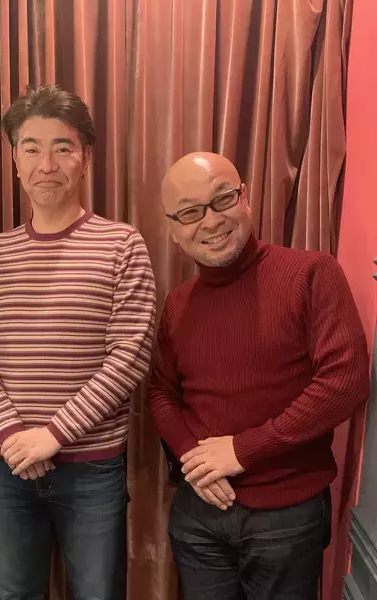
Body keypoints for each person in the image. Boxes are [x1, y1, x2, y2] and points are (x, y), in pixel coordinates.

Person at [0, 85, 156, 600]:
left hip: (92, 467)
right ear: (15, 160)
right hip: (8, 465)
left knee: (98, 593)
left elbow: (129, 355)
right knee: (17, 593)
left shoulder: (122, 244)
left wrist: (54, 434)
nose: (46, 164)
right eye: (31, 148)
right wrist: (13, 433)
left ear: (85, 158)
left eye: (62, 147)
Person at [147, 152, 370, 600]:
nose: (211, 221)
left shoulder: (311, 272)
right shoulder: (177, 304)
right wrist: (195, 459)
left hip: (287, 515)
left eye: (222, 199)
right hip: (199, 510)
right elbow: (160, 393)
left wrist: (242, 450)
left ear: (244, 197)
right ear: (173, 229)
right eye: (190, 212)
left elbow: (345, 383)